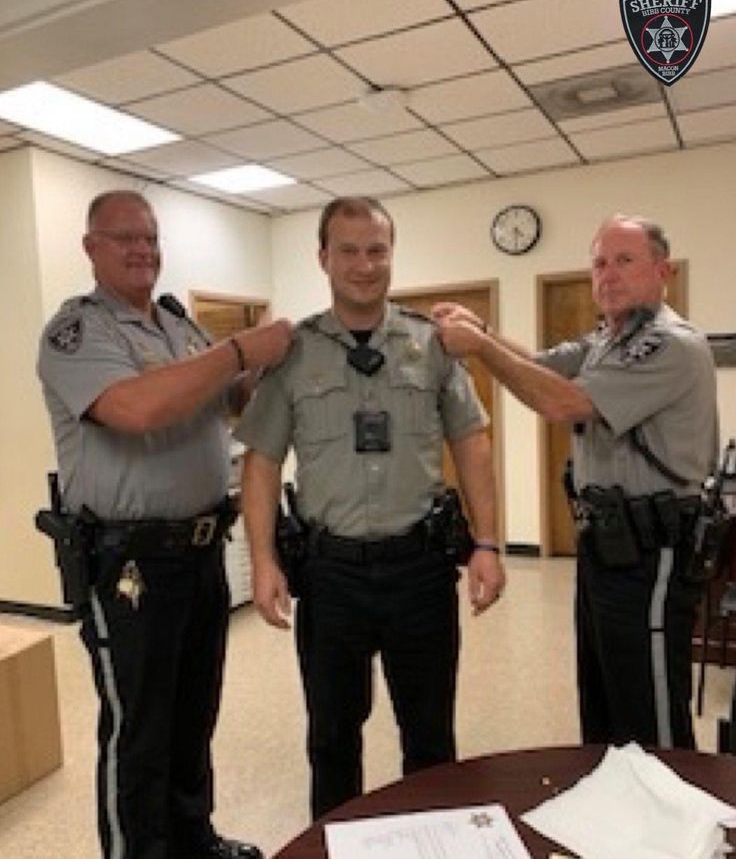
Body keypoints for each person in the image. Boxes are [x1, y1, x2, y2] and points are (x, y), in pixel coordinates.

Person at [37, 190, 293, 859]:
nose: (143, 250)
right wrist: (242, 349)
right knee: (137, 733)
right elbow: (138, 409)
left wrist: (269, 370)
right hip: (130, 567)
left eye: (151, 238)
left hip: (199, 550)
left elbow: (224, 400)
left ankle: (189, 837)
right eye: (126, 239)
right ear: (91, 246)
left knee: (191, 714)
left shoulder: (179, 325)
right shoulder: (77, 331)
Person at [236, 196, 505, 820]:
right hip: (331, 577)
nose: (364, 265)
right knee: (332, 736)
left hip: (420, 570)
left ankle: (438, 852)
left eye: (377, 250)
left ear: (391, 254)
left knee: (431, 734)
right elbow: (263, 459)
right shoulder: (293, 352)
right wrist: (263, 560)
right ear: (323, 257)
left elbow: (471, 441)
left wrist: (488, 544)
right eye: (349, 251)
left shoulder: (431, 345)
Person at [432, 213, 718, 751]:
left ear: (664, 271)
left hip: (652, 552)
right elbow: (541, 366)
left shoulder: (669, 344)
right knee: (606, 698)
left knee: (650, 711)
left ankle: (669, 824)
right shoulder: (608, 340)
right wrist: (487, 332)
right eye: (599, 263)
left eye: (624, 261)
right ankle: (614, 813)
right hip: (607, 548)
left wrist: (477, 346)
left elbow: (560, 400)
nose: (607, 275)